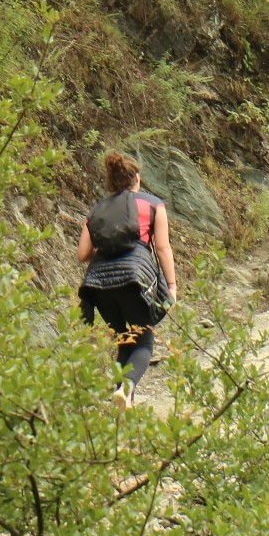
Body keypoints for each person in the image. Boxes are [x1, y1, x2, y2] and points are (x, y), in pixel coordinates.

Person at [76, 151, 178, 406]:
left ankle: (120, 400)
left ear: (112, 181)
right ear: (137, 179)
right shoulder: (153, 204)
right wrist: (172, 286)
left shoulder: (96, 210)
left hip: (98, 283)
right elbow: (163, 248)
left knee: (124, 341)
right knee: (144, 341)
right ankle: (127, 387)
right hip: (135, 277)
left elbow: (83, 254)